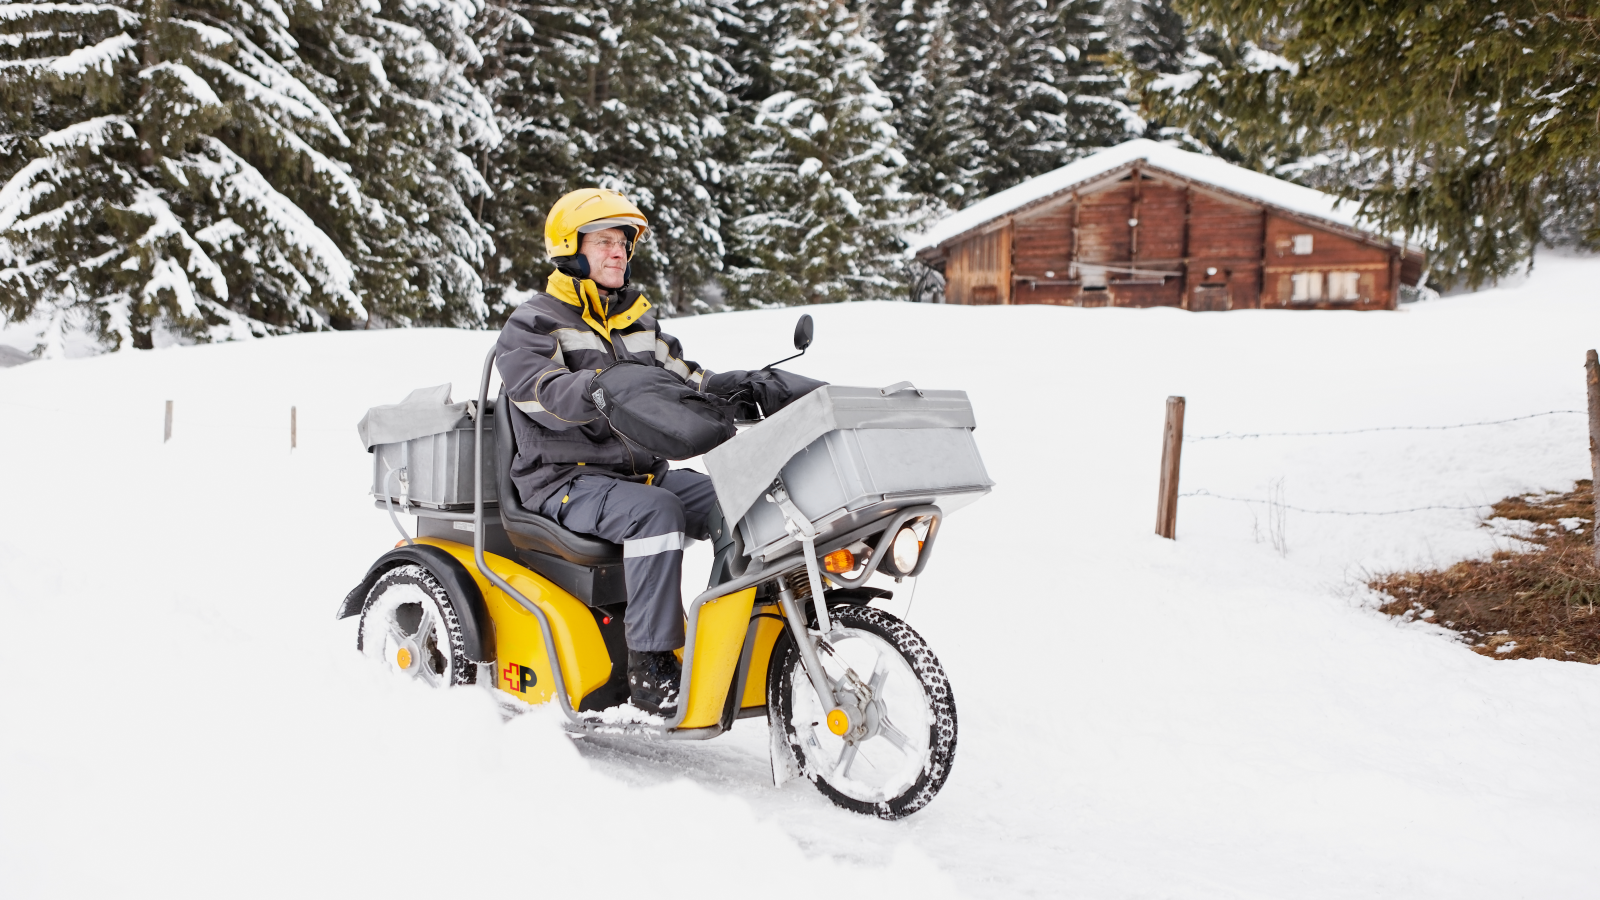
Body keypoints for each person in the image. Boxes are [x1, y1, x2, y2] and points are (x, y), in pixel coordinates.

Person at [494, 188, 721, 716]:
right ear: (571, 250)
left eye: (622, 243)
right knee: (658, 513)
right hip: (562, 482)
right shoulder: (533, 324)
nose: (618, 252)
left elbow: (688, 381)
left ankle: (738, 624)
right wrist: (600, 386)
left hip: (637, 477)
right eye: (604, 242)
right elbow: (538, 394)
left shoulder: (639, 323)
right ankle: (651, 663)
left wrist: (746, 388)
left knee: (738, 497)